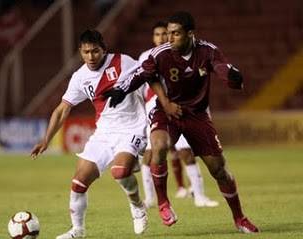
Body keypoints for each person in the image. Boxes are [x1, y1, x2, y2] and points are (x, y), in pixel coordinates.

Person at [103, 11, 259, 233]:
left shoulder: (207, 51)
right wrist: (121, 89)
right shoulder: (161, 53)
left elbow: (222, 67)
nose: (170, 38)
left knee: (219, 169)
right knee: (158, 146)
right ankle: (164, 203)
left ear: (190, 34)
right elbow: (142, 73)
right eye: (168, 33)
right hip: (167, 112)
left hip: (197, 115)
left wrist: (232, 76)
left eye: (176, 34)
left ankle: (240, 218)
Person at [30, 29, 148, 239]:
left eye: (95, 51)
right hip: (104, 133)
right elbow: (62, 109)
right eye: (86, 52)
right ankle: (77, 230)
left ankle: (138, 206)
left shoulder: (124, 62)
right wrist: (46, 139)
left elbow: (149, 81)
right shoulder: (80, 77)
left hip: (132, 128)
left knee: (119, 173)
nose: (91, 57)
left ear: (104, 50)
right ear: (80, 52)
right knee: (78, 182)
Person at [140, 21, 218, 208]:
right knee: (151, 154)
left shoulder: (175, 54)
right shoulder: (146, 56)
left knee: (186, 153)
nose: (161, 38)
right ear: (153, 38)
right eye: (157, 35)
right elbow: (140, 84)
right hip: (155, 107)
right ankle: (150, 199)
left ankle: (199, 196)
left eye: (164, 34)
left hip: (180, 108)